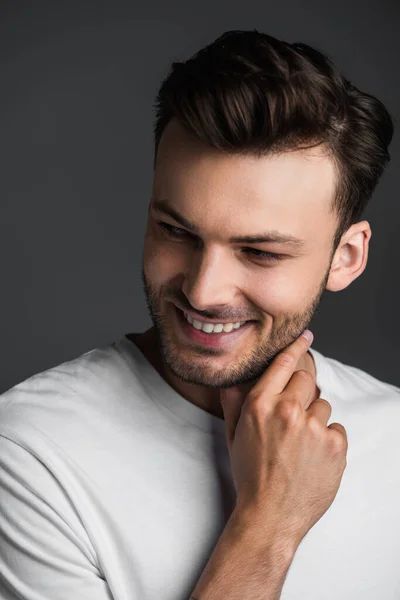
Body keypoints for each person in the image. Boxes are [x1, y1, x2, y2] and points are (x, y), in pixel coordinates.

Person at [0, 28, 397, 600]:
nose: (205, 291)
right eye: (176, 231)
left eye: (260, 252)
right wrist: (269, 527)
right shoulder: (31, 455)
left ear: (346, 258)